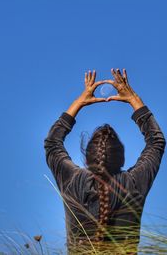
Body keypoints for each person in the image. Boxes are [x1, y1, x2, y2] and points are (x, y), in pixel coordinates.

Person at [44, 68, 166, 254]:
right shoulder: (134, 183)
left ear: (86, 158)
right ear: (122, 158)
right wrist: (133, 98)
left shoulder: (73, 181)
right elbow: (156, 142)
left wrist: (79, 102)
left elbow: (52, 143)